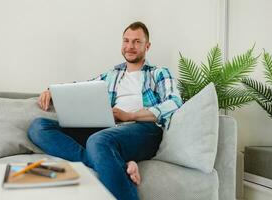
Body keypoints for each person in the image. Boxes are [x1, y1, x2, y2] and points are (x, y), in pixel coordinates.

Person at [28, 21, 183, 200]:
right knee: (39, 127)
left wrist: (129, 116)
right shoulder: (112, 75)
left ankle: (106, 159)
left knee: (98, 141)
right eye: (126, 41)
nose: (130, 46)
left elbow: (175, 102)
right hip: (107, 129)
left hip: (143, 130)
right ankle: (114, 163)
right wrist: (52, 91)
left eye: (136, 42)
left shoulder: (159, 73)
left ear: (147, 46)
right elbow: (81, 88)